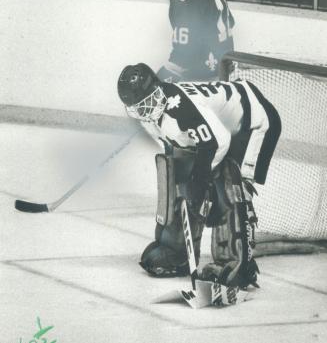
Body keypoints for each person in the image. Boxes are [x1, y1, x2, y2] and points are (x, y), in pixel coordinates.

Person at [117, 63, 281, 289]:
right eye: (139, 108)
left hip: (254, 120)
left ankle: (237, 262)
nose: (146, 111)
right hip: (221, 130)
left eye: (148, 102)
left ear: (158, 88)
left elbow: (218, 141)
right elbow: (182, 149)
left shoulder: (182, 109)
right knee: (179, 174)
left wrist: (201, 180)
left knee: (230, 183)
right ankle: (177, 251)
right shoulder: (151, 116)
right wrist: (191, 180)